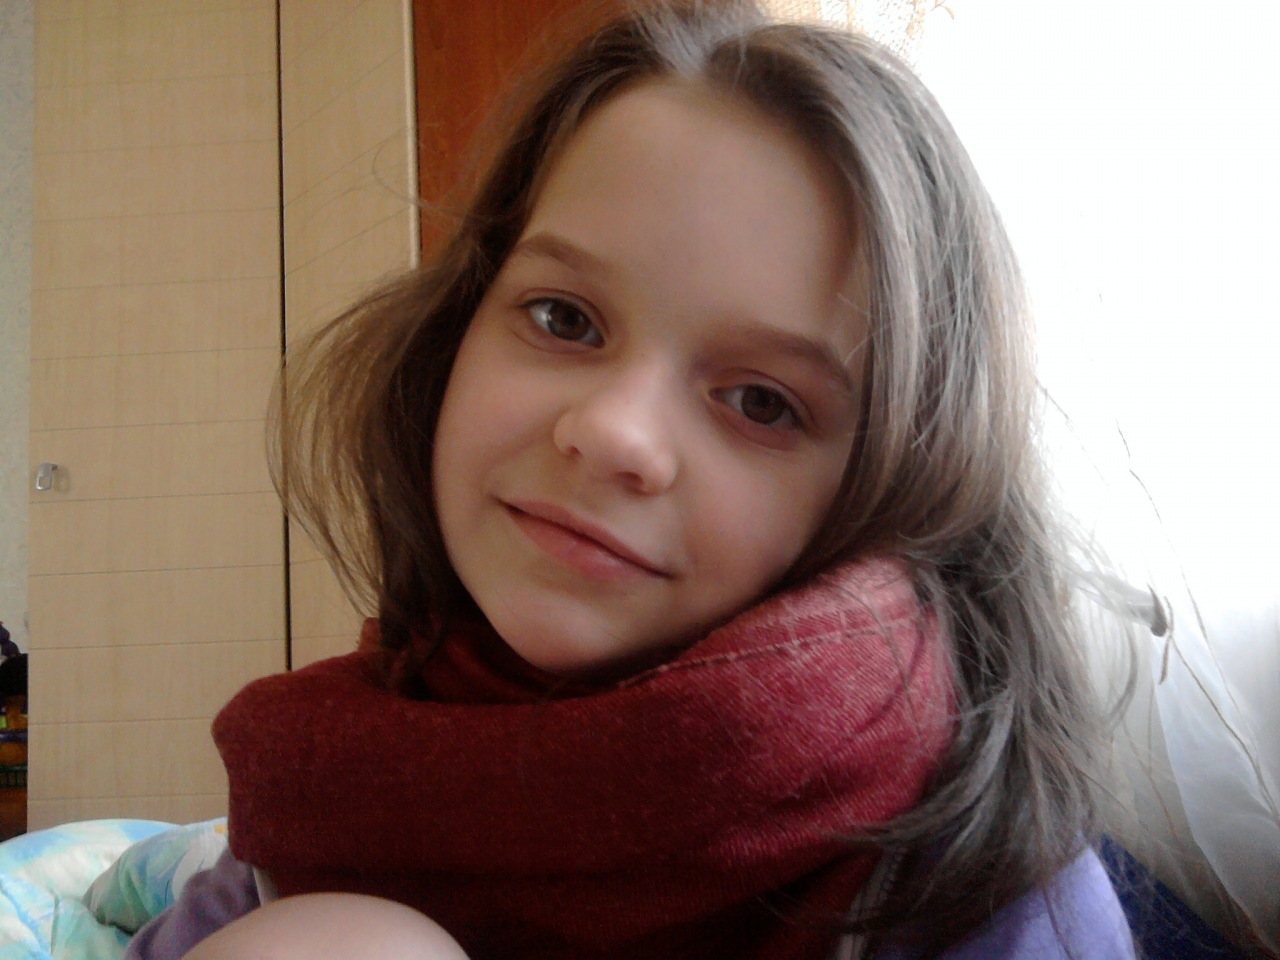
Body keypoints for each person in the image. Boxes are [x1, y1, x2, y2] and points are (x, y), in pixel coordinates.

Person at [126, 2, 1136, 958]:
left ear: (898, 488)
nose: (612, 432)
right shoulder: (315, 807)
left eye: (760, 403)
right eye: (563, 318)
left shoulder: (984, 890)